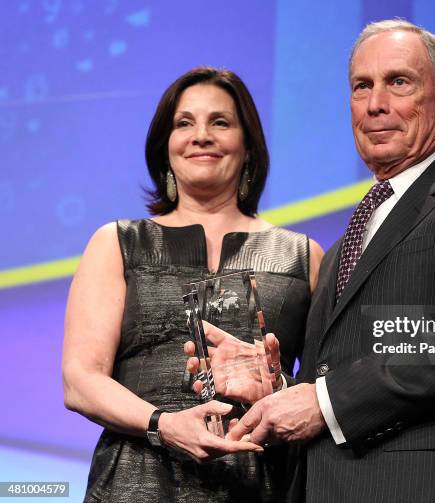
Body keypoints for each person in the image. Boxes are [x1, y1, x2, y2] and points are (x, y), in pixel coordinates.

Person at [222, 20, 435, 502]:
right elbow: (338, 371)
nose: (375, 104)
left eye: (398, 82)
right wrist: (278, 388)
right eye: (361, 86)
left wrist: (324, 401)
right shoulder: (346, 242)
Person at [62, 66, 324, 502]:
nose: (201, 135)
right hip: (135, 484)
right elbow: (80, 380)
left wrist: (278, 390)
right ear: (165, 148)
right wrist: (162, 424)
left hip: (261, 485)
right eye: (184, 123)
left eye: (220, 122)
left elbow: (322, 391)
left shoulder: (303, 257)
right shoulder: (117, 244)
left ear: (248, 147)